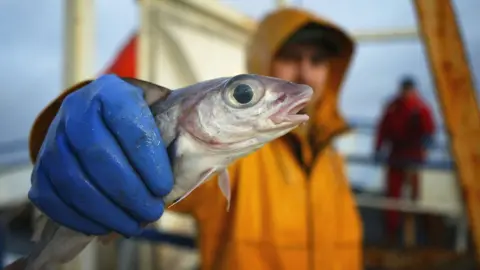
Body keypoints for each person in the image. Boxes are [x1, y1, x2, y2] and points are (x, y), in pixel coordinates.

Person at [9, 7, 362, 270]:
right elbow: (141, 174)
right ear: (264, 58)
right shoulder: (243, 155)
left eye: (317, 60)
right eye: (290, 57)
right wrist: (70, 140)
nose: (304, 73)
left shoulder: (334, 158)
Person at [374, 76, 435, 243]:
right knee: (392, 196)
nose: (406, 93)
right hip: (396, 155)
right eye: (404, 90)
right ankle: (392, 232)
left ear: (413, 90)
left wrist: (427, 140)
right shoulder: (393, 107)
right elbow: (383, 128)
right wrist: (378, 147)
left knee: (417, 196)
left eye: (409, 90)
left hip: (414, 156)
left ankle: (424, 232)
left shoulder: (420, 108)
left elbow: (429, 128)